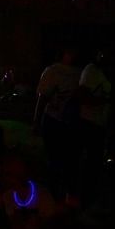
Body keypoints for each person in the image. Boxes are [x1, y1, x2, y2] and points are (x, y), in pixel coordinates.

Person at [34, 47, 81, 200]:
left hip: (67, 121)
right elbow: (43, 97)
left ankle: (64, 195)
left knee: (65, 161)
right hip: (56, 120)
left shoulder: (77, 72)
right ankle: (57, 195)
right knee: (56, 160)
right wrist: (37, 120)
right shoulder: (54, 71)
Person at [76, 49, 112, 207]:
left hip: (98, 124)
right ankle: (85, 199)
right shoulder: (91, 71)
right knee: (90, 163)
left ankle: (90, 197)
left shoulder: (99, 72)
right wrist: (104, 101)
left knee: (94, 163)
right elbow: (82, 95)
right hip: (90, 124)